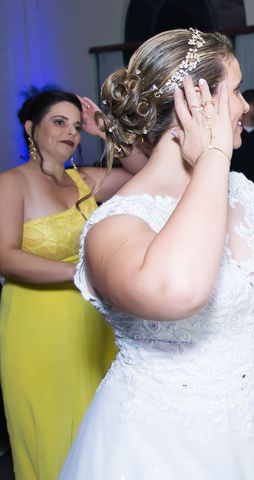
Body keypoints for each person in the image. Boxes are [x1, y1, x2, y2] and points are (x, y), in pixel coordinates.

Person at [59, 28, 254, 479]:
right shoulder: (113, 225)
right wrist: (215, 156)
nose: (243, 106)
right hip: (162, 444)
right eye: (235, 91)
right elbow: (181, 291)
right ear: (194, 104)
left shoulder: (244, 192)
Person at [0, 90, 142, 480]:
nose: (72, 132)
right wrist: (82, 274)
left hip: (90, 323)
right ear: (31, 128)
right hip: (35, 325)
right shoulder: (11, 183)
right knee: (50, 432)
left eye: (77, 126)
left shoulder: (85, 181)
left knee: (98, 432)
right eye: (59, 122)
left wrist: (105, 130)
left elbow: (145, 174)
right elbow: (6, 257)